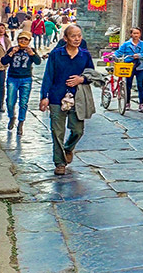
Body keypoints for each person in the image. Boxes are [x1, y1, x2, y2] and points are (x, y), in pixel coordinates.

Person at [39, 25, 94, 176]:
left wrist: (81, 79)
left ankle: (68, 148)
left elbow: (92, 75)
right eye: (73, 36)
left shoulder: (85, 55)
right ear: (65, 38)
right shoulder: (56, 54)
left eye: (79, 36)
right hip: (57, 97)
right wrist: (44, 96)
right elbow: (48, 76)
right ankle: (60, 163)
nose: (77, 39)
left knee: (78, 130)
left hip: (78, 98)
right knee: (57, 131)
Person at [1, 31, 40, 135]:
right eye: (21, 39)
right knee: (10, 101)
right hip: (13, 78)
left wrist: (33, 54)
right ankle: (12, 117)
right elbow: (3, 61)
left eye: (25, 39)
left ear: (29, 41)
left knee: (23, 102)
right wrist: (11, 53)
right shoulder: (12, 49)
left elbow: (38, 62)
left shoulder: (31, 51)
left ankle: (21, 122)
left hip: (26, 79)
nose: (23, 41)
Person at [114, 27, 143, 112]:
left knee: (140, 86)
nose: (136, 35)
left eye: (137, 33)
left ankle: (141, 104)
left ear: (140, 34)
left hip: (140, 67)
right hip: (128, 68)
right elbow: (119, 52)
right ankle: (127, 103)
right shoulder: (126, 44)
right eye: (134, 33)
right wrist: (113, 55)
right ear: (131, 34)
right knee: (128, 85)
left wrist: (139, 55)